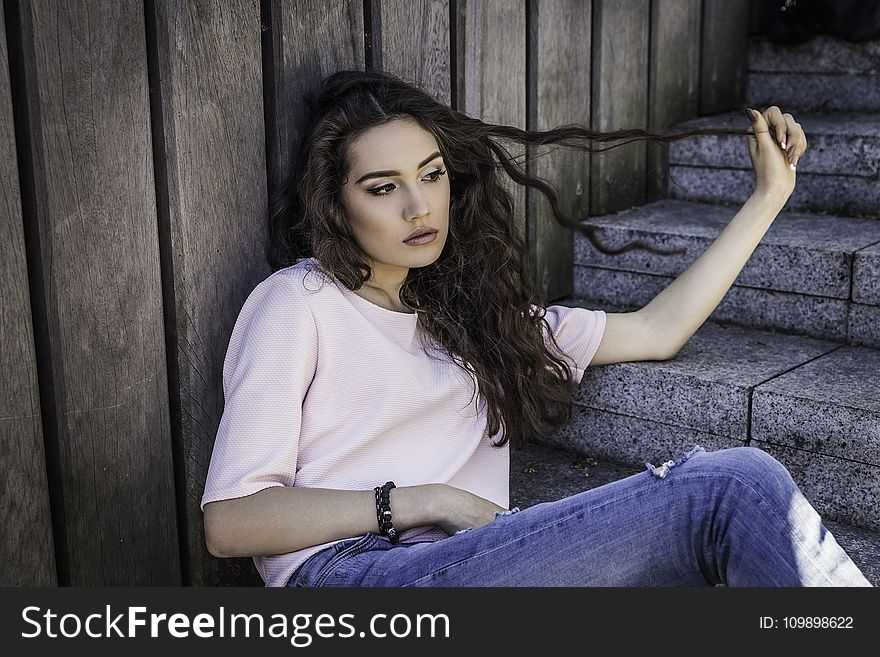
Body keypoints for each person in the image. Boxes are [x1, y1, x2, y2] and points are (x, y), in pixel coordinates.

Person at [201, 70, 871, 587]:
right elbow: (231, 520)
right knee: (735, 485)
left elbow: (658, 329)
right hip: (354, 577)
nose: (417, 205)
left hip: (474, 564)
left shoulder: (480, 323)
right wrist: (424, 500)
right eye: (382, 187)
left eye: (431, 176)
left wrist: (768, 198)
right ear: (336, 205)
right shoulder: (299, 302)